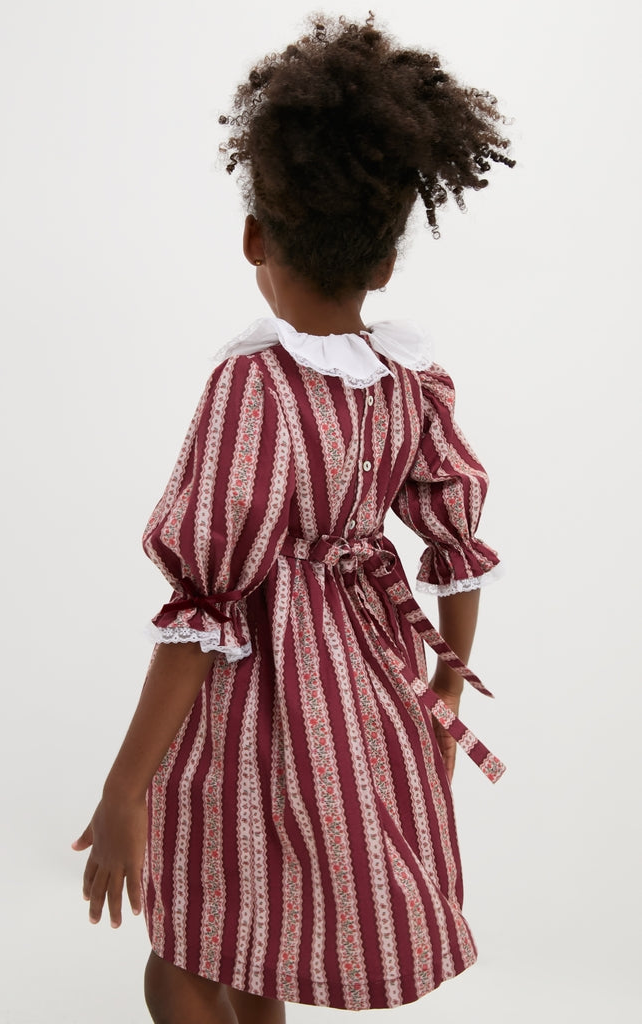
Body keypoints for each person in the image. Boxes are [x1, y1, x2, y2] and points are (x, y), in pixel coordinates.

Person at [73, 13, 514, 1023]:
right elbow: (455, 548)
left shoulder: (253, 386)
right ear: (386, 261)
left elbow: (202, 609)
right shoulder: (408, 381)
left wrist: (123, 786)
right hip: (366, 699)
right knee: (257, 940)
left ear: (252, 236)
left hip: (252, 710)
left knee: (185, 948)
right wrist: (441, 695)